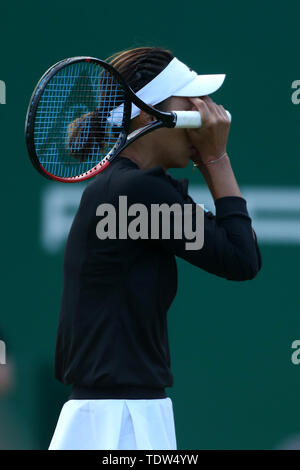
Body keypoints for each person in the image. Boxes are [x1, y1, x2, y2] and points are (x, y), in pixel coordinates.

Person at [49, 47, 262, 450]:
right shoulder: (135, 193)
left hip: (125, 416)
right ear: (149, 115)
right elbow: (242, 258)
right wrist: (215, 157)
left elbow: (241, 252)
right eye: (191, 102)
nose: (205, 113)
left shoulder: (131, 190)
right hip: (120, 422)